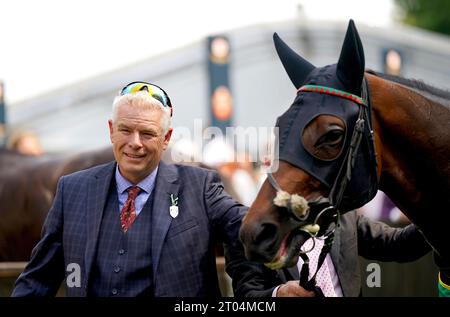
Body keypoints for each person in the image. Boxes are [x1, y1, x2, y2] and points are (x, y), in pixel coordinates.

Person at [12, 81, 247, 297]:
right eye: (125, 130)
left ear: (166, 138)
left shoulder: (200, 187)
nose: (135, 142)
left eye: (147, 133)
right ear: (111, 130)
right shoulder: (72, 190)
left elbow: (248, 227)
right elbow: (38, 280)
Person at [227, 210, 432, 297]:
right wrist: (278, 293)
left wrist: (438, 215)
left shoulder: (343, 216)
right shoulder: (251, 231)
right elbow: (246, 295)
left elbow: (398, 245)